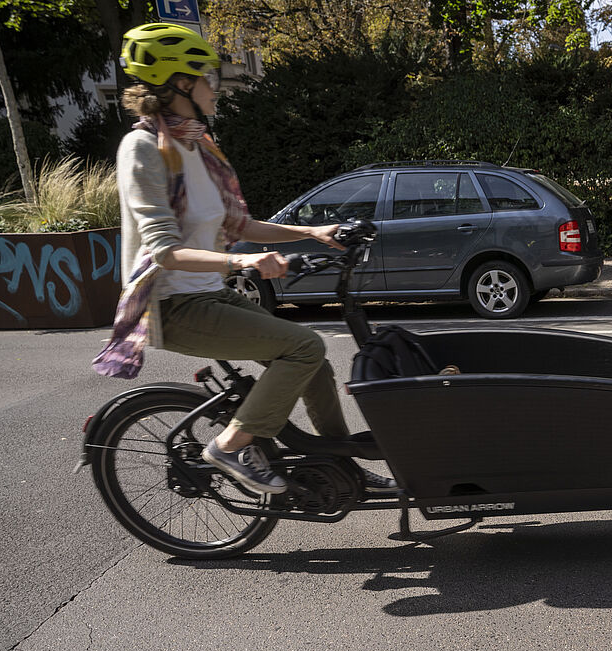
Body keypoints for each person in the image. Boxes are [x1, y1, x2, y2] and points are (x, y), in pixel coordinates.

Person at [93, 22, 394, 497]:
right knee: (305, 347)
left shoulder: (197, 145)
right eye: (207, 77)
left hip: (210, 295)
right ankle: (231, 445)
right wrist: (244, 264)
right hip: (173, 306)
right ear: (180, 85)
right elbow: (165, 252)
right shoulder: (144, 149)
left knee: (312, 358)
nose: (215, 86)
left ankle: (343, 469)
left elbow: (239, 227)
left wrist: (312, 232)